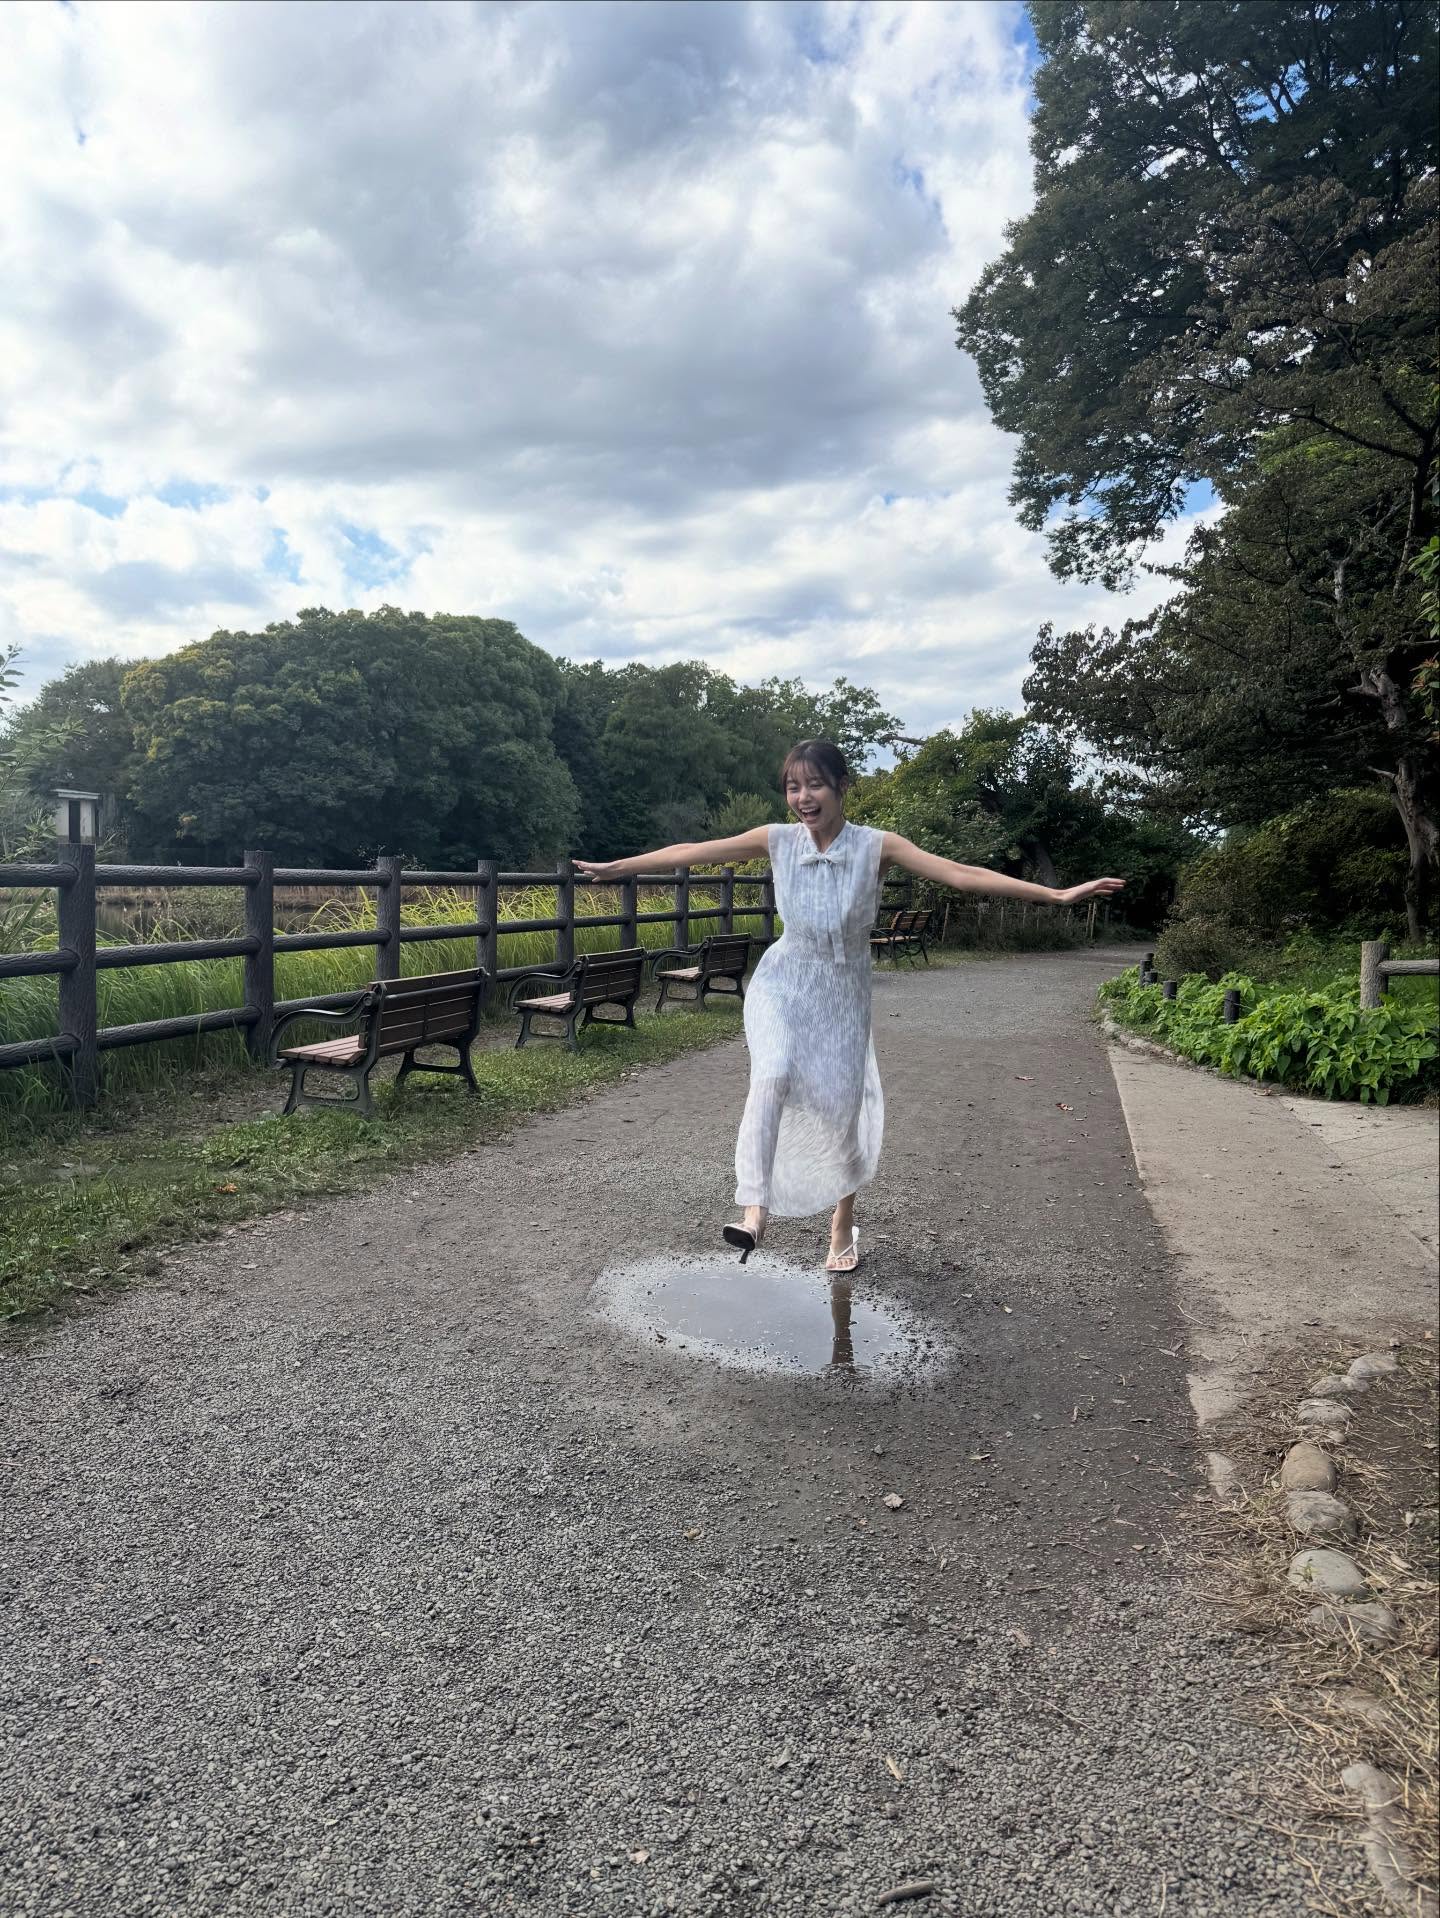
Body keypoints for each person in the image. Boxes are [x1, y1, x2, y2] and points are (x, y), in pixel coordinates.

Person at [576, 739, 1124, 1273]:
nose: (803, 798)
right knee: (773, 1073)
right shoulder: (777, 840)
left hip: (842, 993)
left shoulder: (877, 846)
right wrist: (619, 867)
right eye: (793, 787)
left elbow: (962, 874)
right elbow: (691, 852)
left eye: (815, 785)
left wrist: (1056, 894)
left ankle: (842, 1224)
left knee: (840, 1112)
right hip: (784, 981)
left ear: (841, 786)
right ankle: (754, 1210)